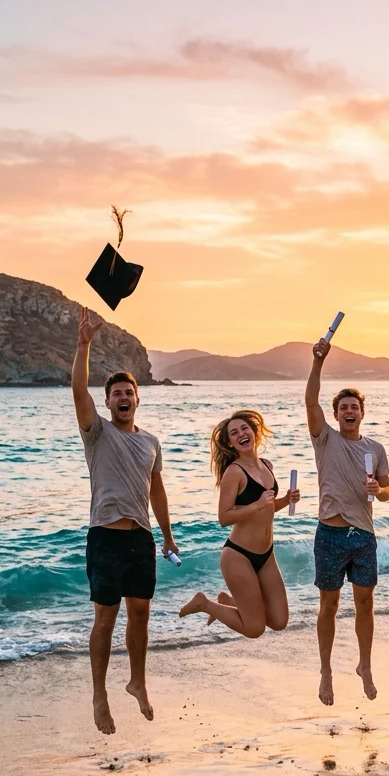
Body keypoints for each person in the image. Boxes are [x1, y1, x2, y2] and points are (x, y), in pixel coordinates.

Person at [72, 307, 178, 735]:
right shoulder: (96, 431)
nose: (122, 398)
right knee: (106, 618)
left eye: (127, 393)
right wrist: (84, 345)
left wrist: (168, 536)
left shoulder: (151, 442)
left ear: (137, 398)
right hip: (105, 538)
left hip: (142, 540)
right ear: (107, 401)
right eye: (114, 393)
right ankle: (100, 694)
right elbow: (77, 389)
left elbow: (157, 491)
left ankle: (137, 681)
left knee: (141, 615)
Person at [306, 338, 389, 705]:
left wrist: (378, 488)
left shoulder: (376, 449)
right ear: (336, 414)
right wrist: (318, 362)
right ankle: (325, 671)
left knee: (366, 604)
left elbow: (387, 493)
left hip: (364, 535)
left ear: (362, 412)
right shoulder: (325, 439)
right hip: (330, 533)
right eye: (343, 408)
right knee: (329, 606)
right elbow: (310, 401)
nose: (349, 412)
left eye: (354, 407)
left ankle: (365, 664)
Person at [178, 410, 299, 636]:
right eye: (234, 433)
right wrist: (257, 505)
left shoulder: (267, 465)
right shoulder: (234, 472)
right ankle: (204, 603)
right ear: (231, 443)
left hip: (266, 554)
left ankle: (227, 601)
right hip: (238, 555)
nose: (241, 434)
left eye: (245, 428)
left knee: (279, 620)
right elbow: (224, 517)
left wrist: (286, 500)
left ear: (255, 433)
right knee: (254, 629)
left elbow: (267, 508)